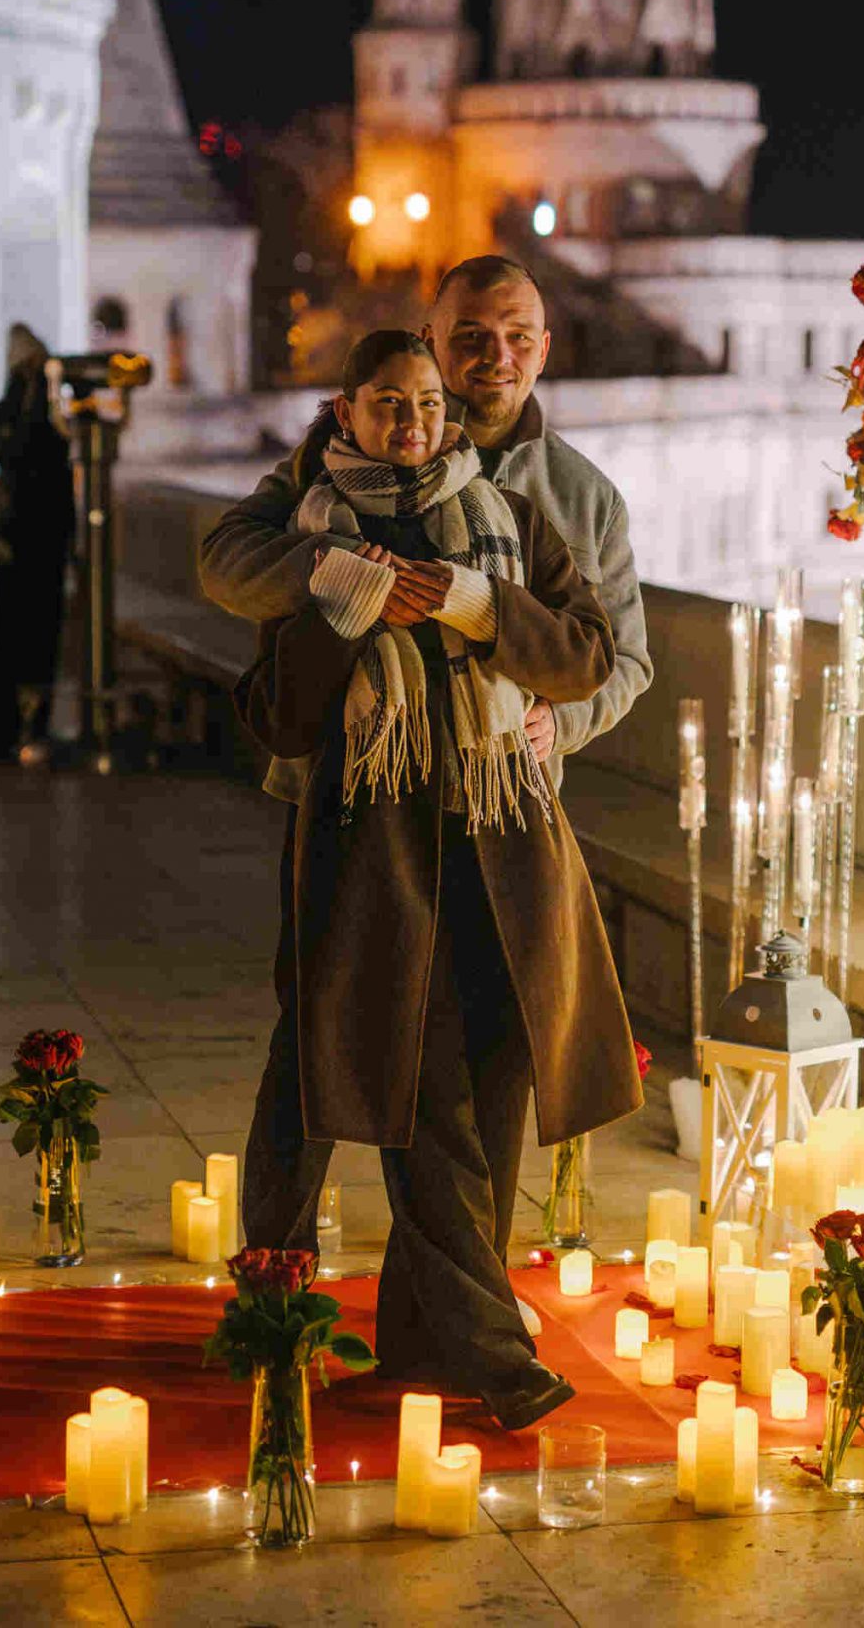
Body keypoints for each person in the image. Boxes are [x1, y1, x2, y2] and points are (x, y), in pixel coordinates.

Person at [198, 256, 652, 1306]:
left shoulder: (572, 495)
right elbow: (228, 561)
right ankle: (274, 1291)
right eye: (470, 338)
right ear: (430, 347)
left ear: (544, 344)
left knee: (485, 1057)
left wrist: (550, 717)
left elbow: (615, 656)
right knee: (320, 1039)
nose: (498, 358)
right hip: (357, 802)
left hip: (495, 808)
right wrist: (343, 576)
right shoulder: (331, 463)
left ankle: (453, 1304)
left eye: (520, 336)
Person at [0, 324, 77, 764]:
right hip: (27, 537)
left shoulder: (27, 415)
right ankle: (8, 729)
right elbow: (21, 455)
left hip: (33, 538)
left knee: (35, 637)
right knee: (20, 637)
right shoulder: (18, 417)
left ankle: (27, 728)